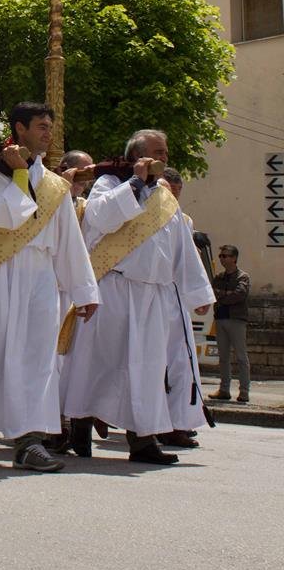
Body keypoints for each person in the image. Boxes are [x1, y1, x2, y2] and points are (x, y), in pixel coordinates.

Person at [0, 104, 99, 472]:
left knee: (37, 358)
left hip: (40, 277)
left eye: (50, 127)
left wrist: (84, 292)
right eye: (41, 126)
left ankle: (29, 443)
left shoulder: (55, 185)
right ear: (20, 129)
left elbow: (69, 240)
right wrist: (18, 174)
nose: (48, 133)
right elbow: (5, 218)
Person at [61, 129, 212, 466]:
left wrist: (197, 292)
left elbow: (182, 248)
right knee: (99, 362)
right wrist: (135, 184)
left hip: (152, 296)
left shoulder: (164, 197)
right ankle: (80, 426)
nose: (164, 157)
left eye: (165, 152)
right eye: (158, 152)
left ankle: (143, 440)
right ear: (137, 156)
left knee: (147, 369)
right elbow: (99, 218)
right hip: (113, 289)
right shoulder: (110, 183)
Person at [156, 167, 213, 448]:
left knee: (181, 362)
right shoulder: (145, 215)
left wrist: (198, 294)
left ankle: (178, 420)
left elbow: (189, 258)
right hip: (152, 293)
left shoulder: (183, 219)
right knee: (155, 363)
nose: (174, 196)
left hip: (175, 297)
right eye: (170, 190)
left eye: (177, 191)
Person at [210, 244, 251, 403]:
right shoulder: (219, 277)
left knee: (241, 356)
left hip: (236, 319)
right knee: (223, 357)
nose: (222, 259)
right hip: (220, 318)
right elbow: (213, 292)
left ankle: (244, 391)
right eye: (221, 256)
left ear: (234, 258)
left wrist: (223, 296)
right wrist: (226, 295)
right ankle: (224, 389)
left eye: (225, 256)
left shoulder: (242, 277)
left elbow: (239, 295)